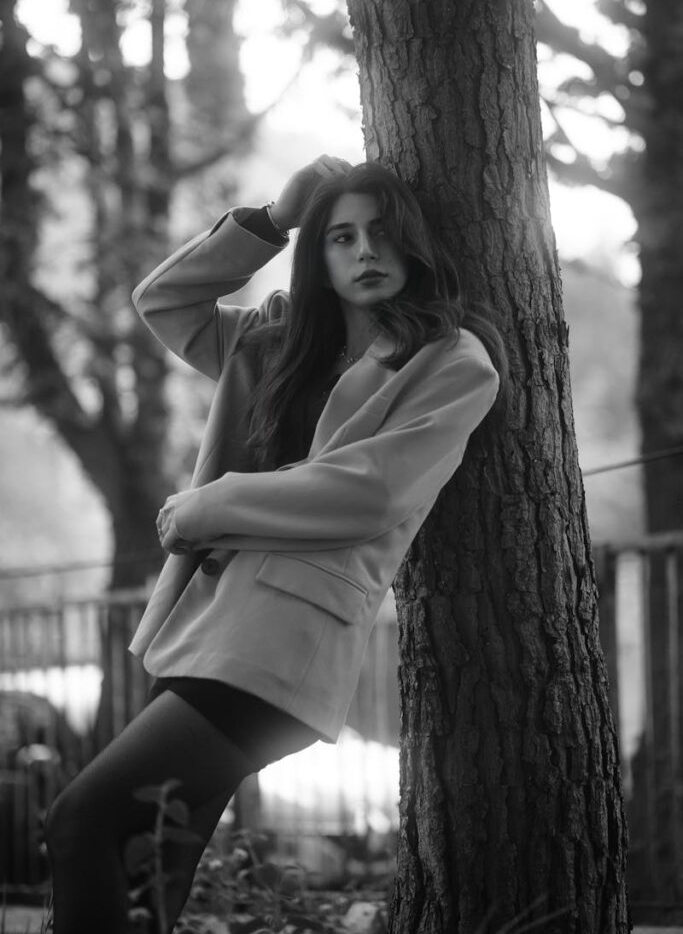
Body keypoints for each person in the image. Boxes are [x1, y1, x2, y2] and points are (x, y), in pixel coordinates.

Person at [45, 154, 506, 933]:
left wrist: (207, 506)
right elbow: (164, 299)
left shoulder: (451, 360)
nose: (366, 252)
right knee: (150, 867)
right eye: (342, 236)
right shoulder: (271, 341)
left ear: (416, 246)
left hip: (283, 643)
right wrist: (272, 218)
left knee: (81, 820)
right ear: (317, 254)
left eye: (385, 235)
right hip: (207, 630)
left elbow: (369, 492)